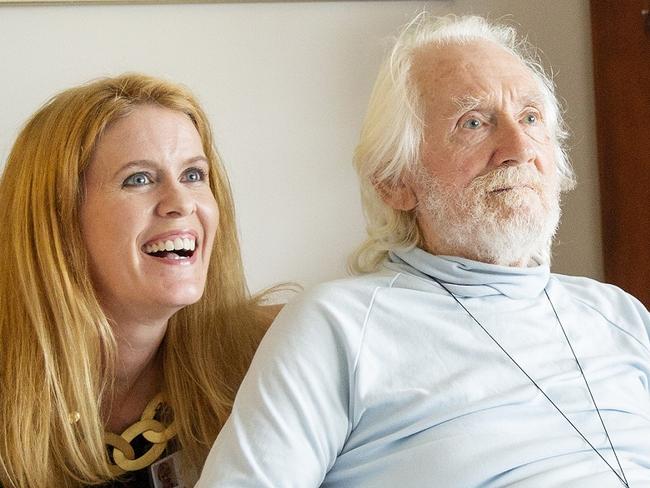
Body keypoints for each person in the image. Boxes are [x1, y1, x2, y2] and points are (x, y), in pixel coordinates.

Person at [197, 14, 650, 488]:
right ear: (394, 182)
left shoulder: (618, 314)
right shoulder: (338, 325)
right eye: (474, 123)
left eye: (531, 118)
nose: (519, 148)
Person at [0, 74, 279, 487]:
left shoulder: (273, 354)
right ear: (58, 219)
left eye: (194, 175)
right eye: (139, 179)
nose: (182, 203)